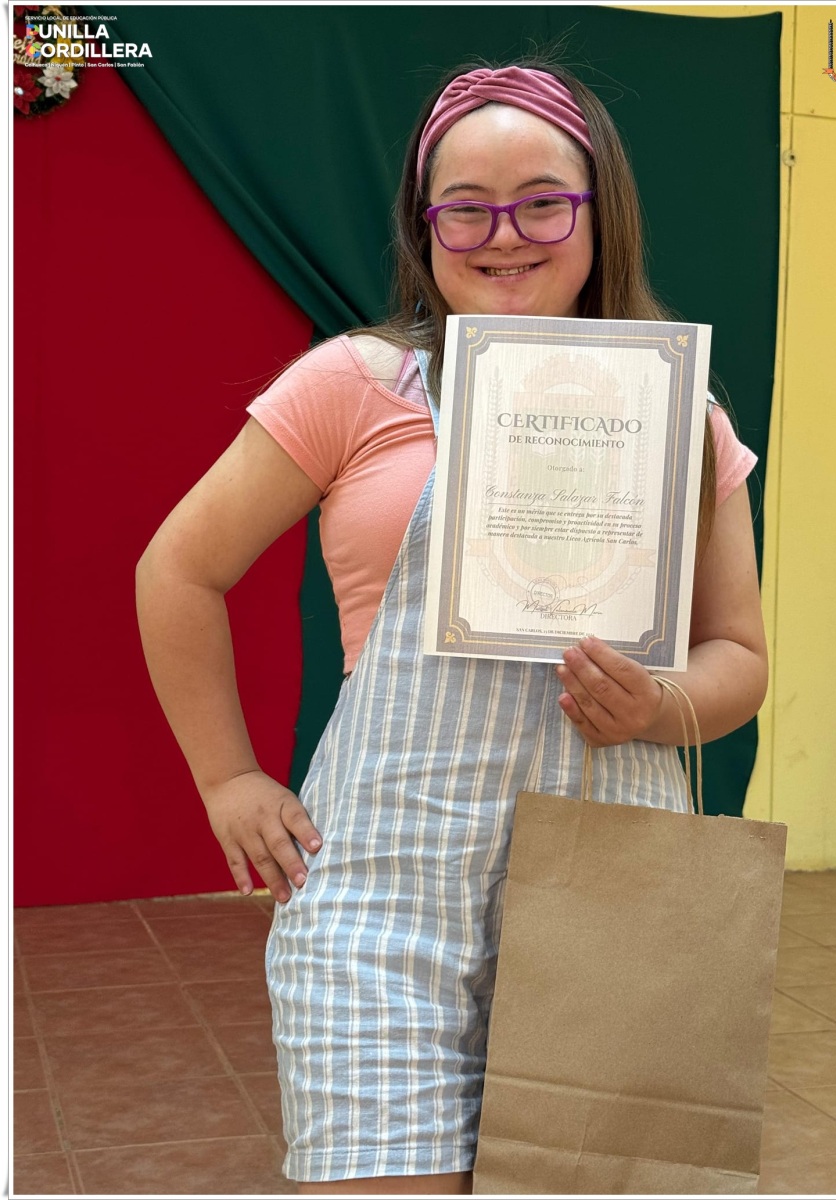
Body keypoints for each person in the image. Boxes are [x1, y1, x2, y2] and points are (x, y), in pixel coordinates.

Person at [136, 60, 768, 1196]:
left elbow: (739, 656)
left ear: (600, 214)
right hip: (380, 905)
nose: (502, 234)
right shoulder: (357, 384)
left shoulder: (685, 412)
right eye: (463, 207)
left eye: (541, 201)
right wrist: (227, 778)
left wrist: (660, 703)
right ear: (423, 226)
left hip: (615, 896)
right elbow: (177, 569)